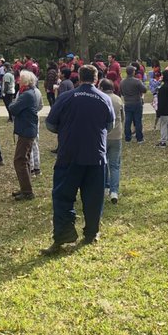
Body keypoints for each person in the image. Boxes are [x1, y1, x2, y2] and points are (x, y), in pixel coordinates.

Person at [41, 65, 114, 255]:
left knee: (62, 196)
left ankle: (63, 233)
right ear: (96, 79)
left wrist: (65, 130)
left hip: (69, 154)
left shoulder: (66, 97)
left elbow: (50, 124)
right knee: (93, 197)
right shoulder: (104, 99)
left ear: (79, 78)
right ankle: (92, 233)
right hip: (96, 156)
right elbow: (110, 125)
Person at [9, 70, 42, 201]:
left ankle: (27, 191)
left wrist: (13, 102)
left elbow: (13, 108)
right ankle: (25, 188)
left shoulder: (27, 94)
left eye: (20, 79)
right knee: (25, 159)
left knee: (19, 160)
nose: (18, 81)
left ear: (26, 81)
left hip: (26, 130)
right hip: (28, 129)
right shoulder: (31, 92)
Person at [99, 78, 124, 204]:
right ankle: (114, 191)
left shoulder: (99, 99)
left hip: (102, 136)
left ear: (101, 88)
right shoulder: (118, 99)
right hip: (116, 135)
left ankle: (105, 186)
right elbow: (123, 117)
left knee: (103, 163)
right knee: (114, 165)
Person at [119, 66, 146, 144]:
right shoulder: (137, 81)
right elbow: (144, 90)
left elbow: (121, 93)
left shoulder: (122, 82)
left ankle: (128, 138)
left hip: (127, 102)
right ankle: (139, 138)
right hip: (137, 102)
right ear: (133, 72)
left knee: (128, 121)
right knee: (138, 120)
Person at [155, 69, 168, 148]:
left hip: (164, 109)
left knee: (163, 125)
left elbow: (161, 101)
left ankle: (163, 141)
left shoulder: (163, 88)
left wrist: (159, 111)